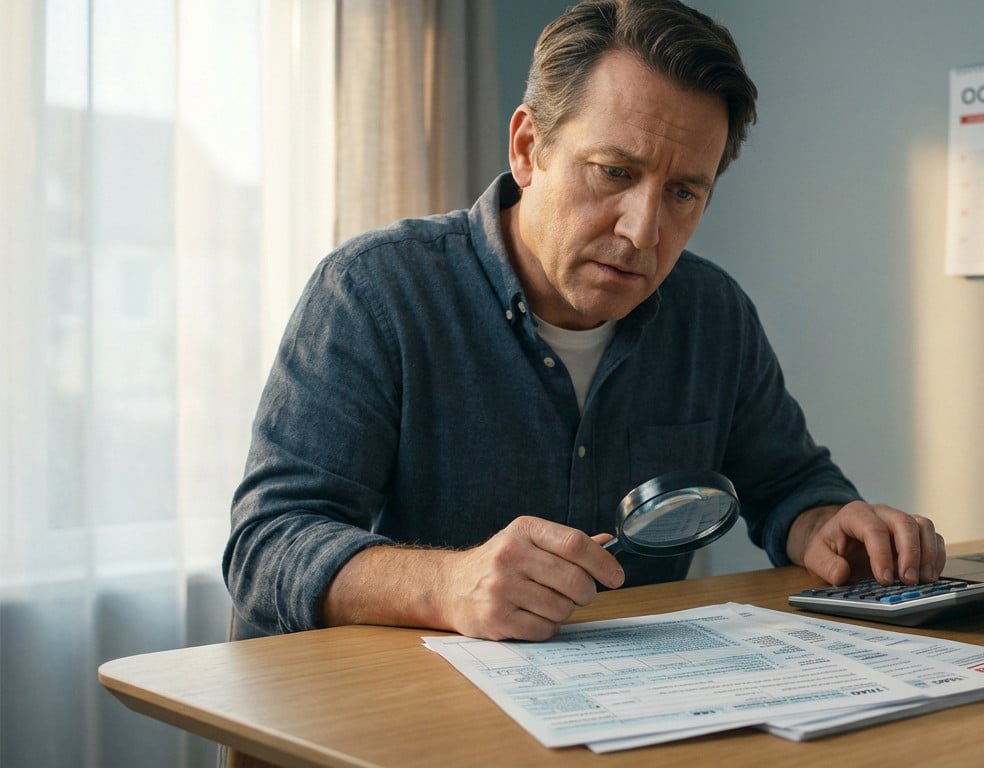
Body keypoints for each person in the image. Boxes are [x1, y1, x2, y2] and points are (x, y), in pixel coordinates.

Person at [224, 0, 944, 642]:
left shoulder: (712, 314)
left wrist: (831, 525)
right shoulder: (374, 291)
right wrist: (449, 585)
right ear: (528, 148)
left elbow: (789, 484)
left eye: (684, 192)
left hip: (636, 718)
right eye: (615, 173)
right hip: (409, 725)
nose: (642, 231)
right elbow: (266, 545)